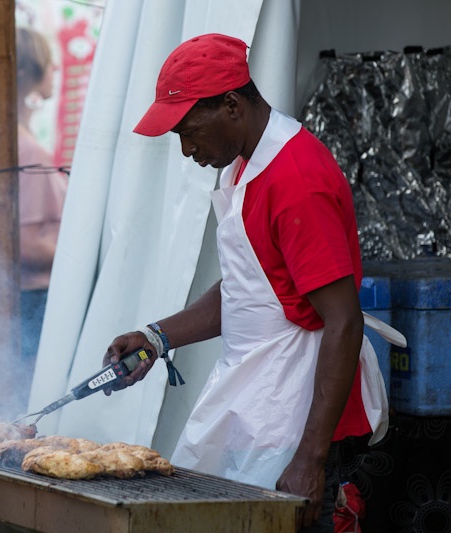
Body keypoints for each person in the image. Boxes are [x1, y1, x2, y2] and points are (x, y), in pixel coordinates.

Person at [101, 34, 388, 532]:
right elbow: (249, 287)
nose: (187, 149)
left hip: (298, 421)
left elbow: (344, 322)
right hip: (258, 406)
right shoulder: (242, 167)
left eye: (189, 132)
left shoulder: (295, 178)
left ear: (232, 105)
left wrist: (310, 459)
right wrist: (155, 337)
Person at [0, 26, 67, 416]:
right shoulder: (20, 146)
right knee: (26, 411)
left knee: (12, 409)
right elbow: (22, 244)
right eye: (50, 62)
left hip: (12, 298)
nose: (56, 69)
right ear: (33, 70)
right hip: (31, 303)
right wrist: (85, 263)